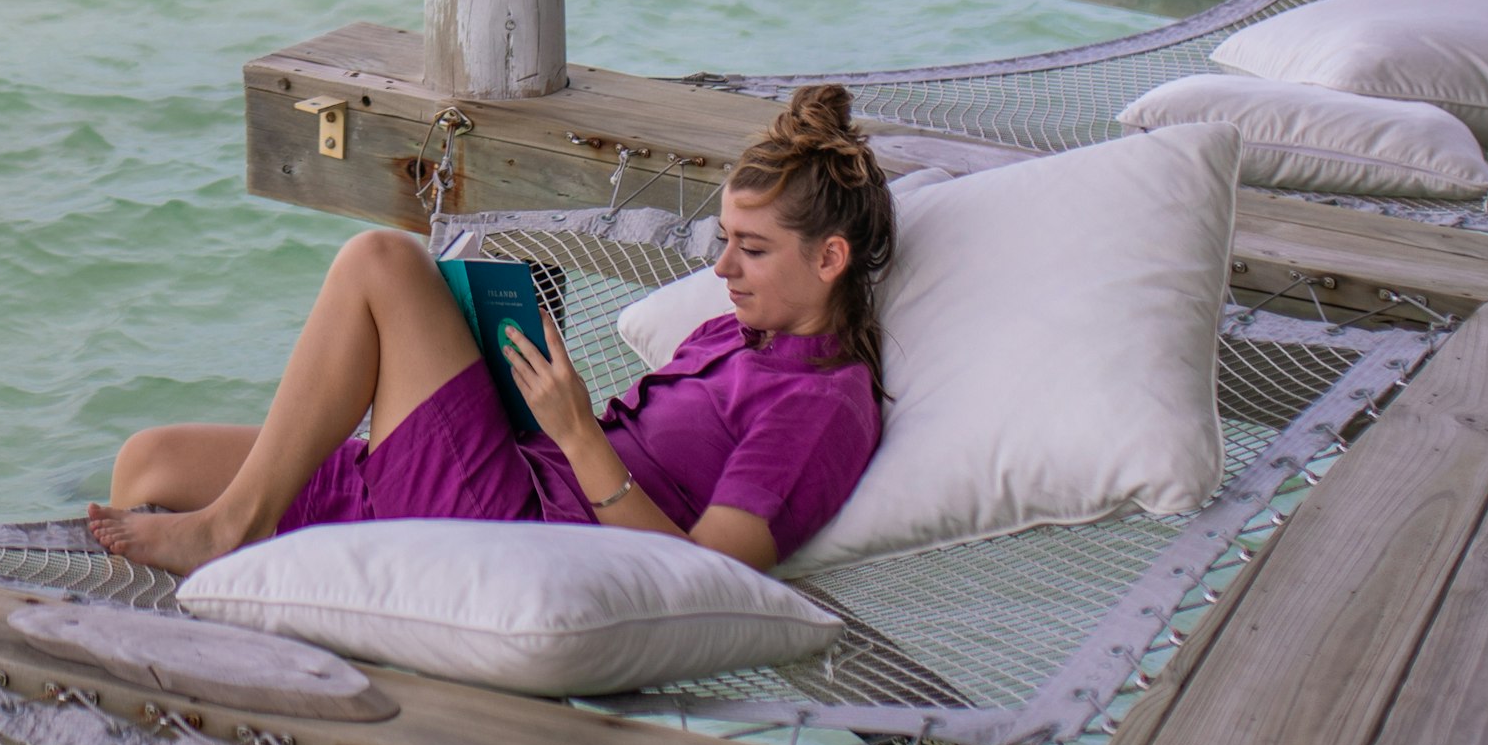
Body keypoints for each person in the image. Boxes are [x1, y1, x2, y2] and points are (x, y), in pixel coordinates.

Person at [88, 86, 895, 576]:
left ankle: (236, 529)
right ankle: (235, 580)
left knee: (382, 263)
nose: (722, 269)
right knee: (149, 462)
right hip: (504, 472)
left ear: (830, 257)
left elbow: (712, 575)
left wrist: (579, 433)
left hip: (513, 526)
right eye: (724, 240)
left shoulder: (818, 406)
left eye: (751, 250)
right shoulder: (732, 334)